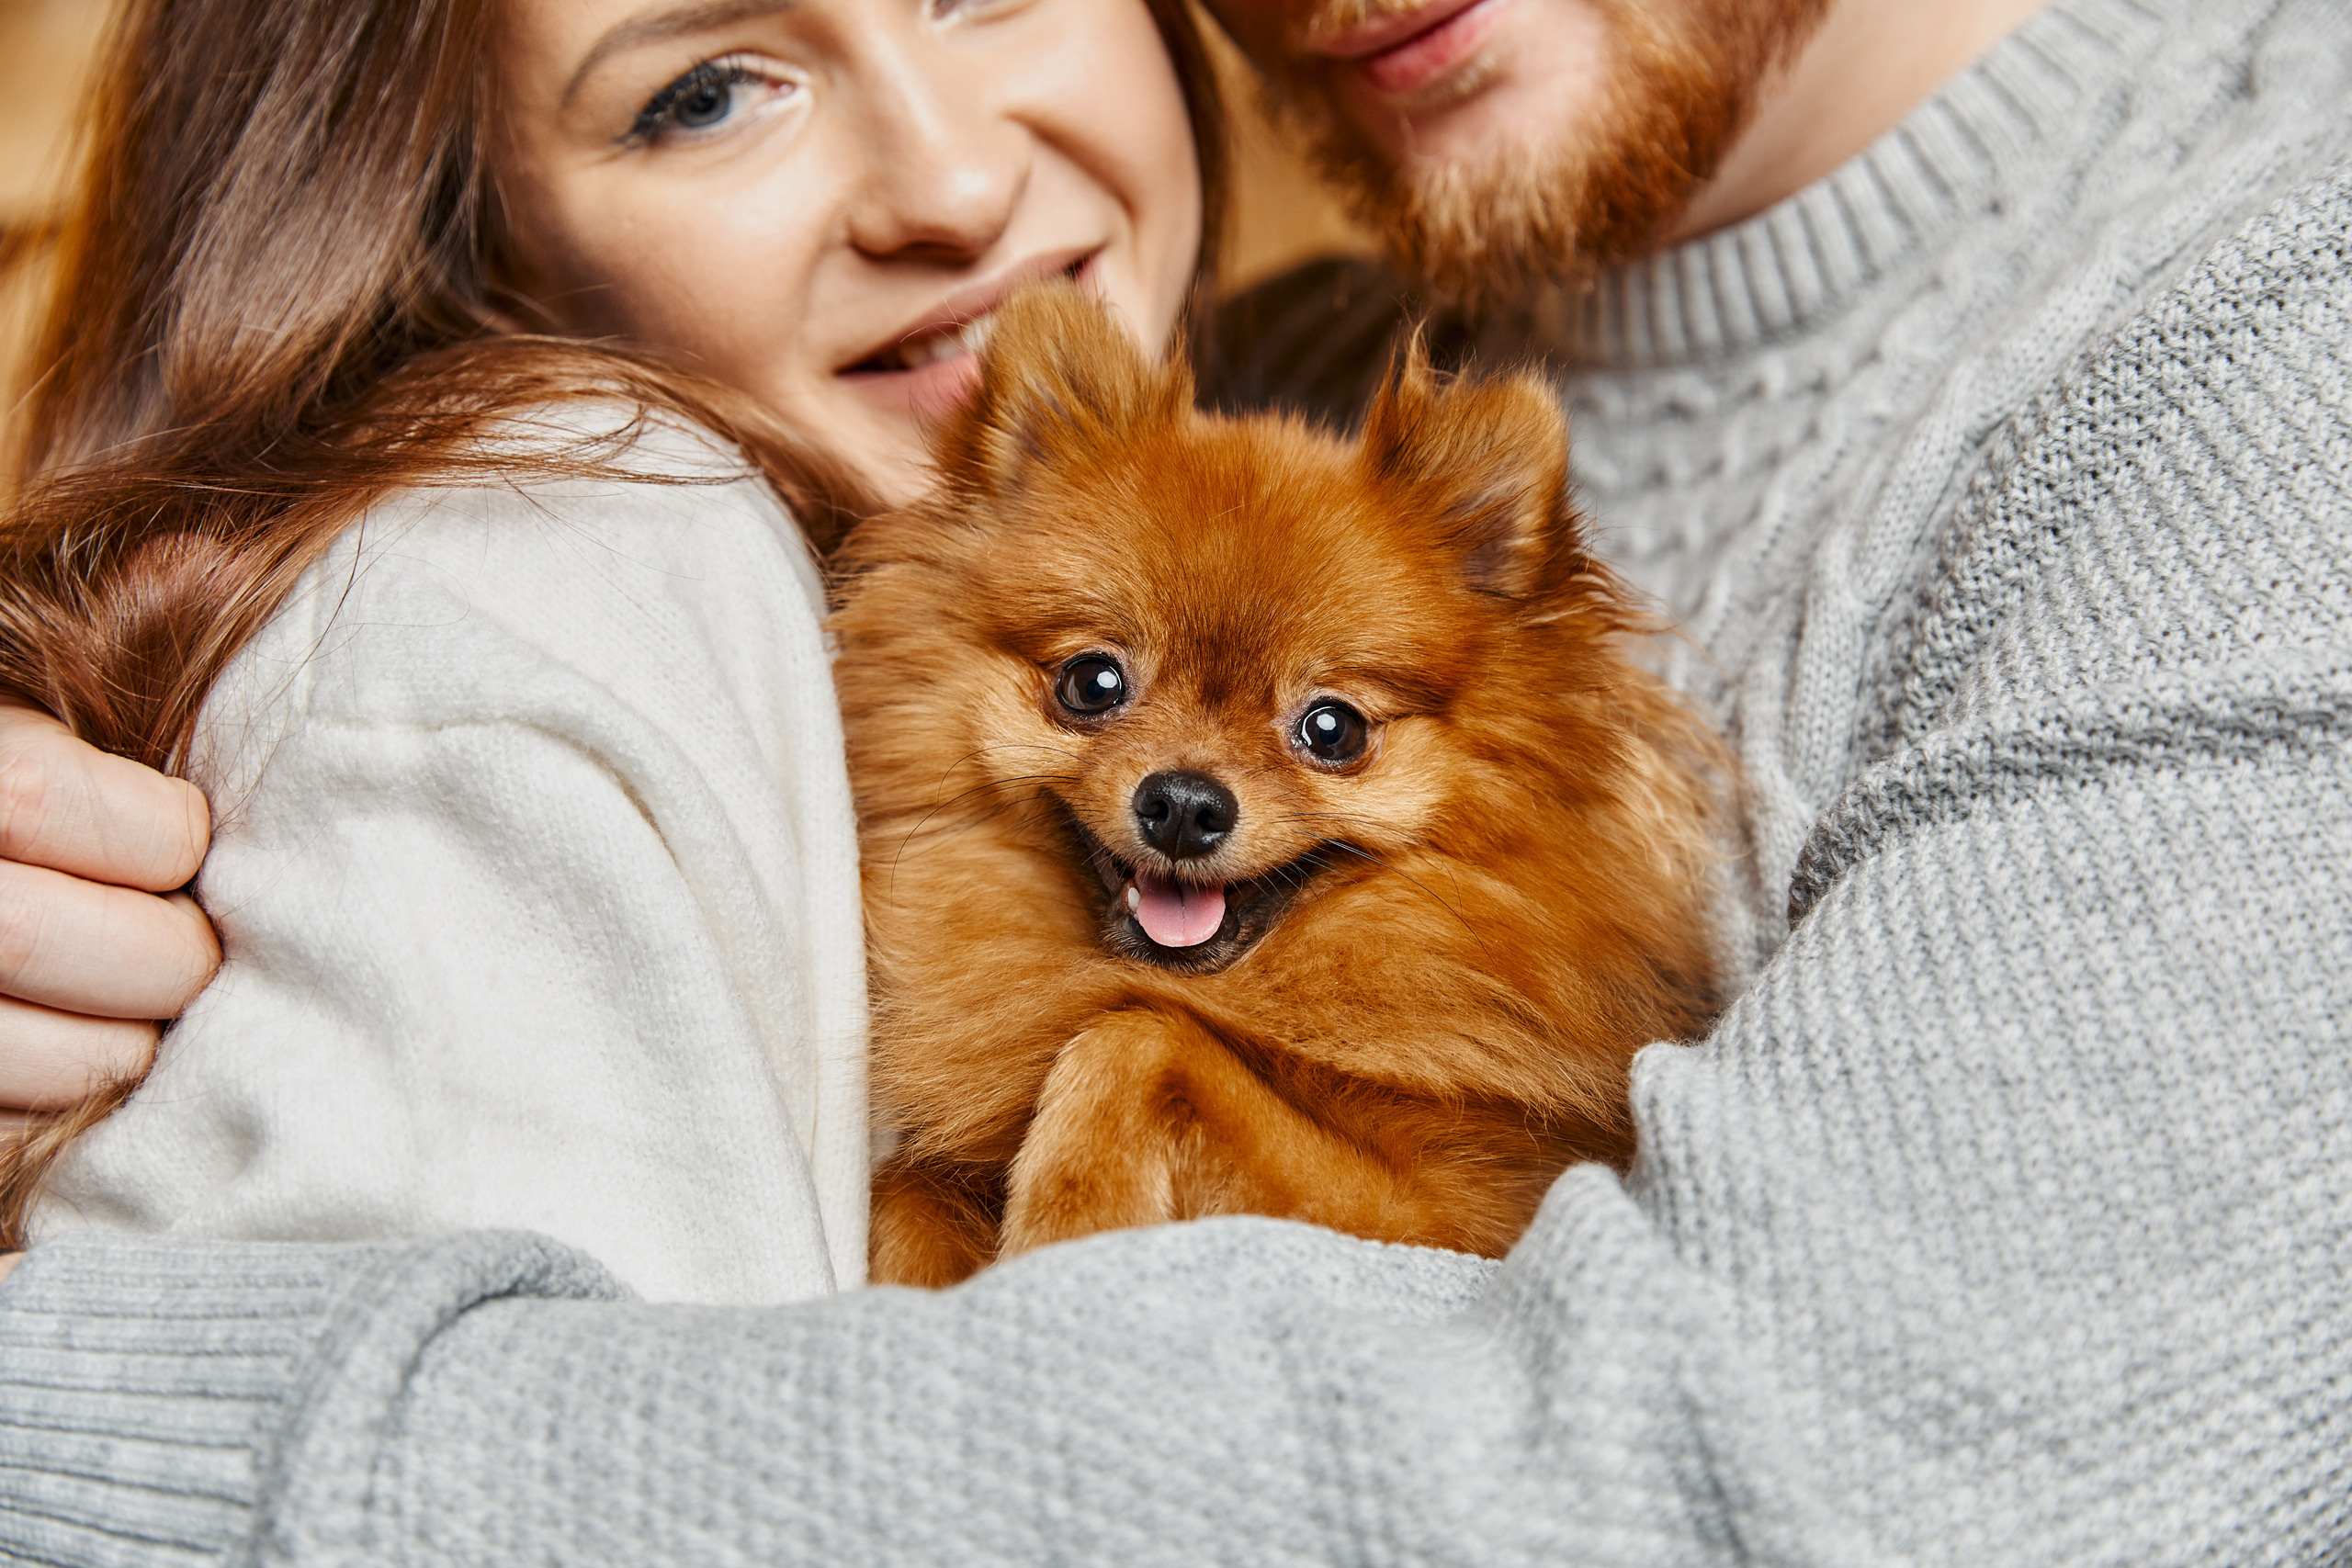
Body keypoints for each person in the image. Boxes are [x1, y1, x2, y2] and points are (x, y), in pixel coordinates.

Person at [4, 0, 2350, 1559]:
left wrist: (131, 1429)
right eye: (711, 84)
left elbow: (1813, 1491)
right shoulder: (1232, 367)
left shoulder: (2259, 330)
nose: (941, 180)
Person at [0, 0, 1220, 1299]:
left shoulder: (1317, 410)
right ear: (465, 253)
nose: (957, 186)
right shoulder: (543, 556)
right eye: (706, 95)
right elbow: (490, 1467)